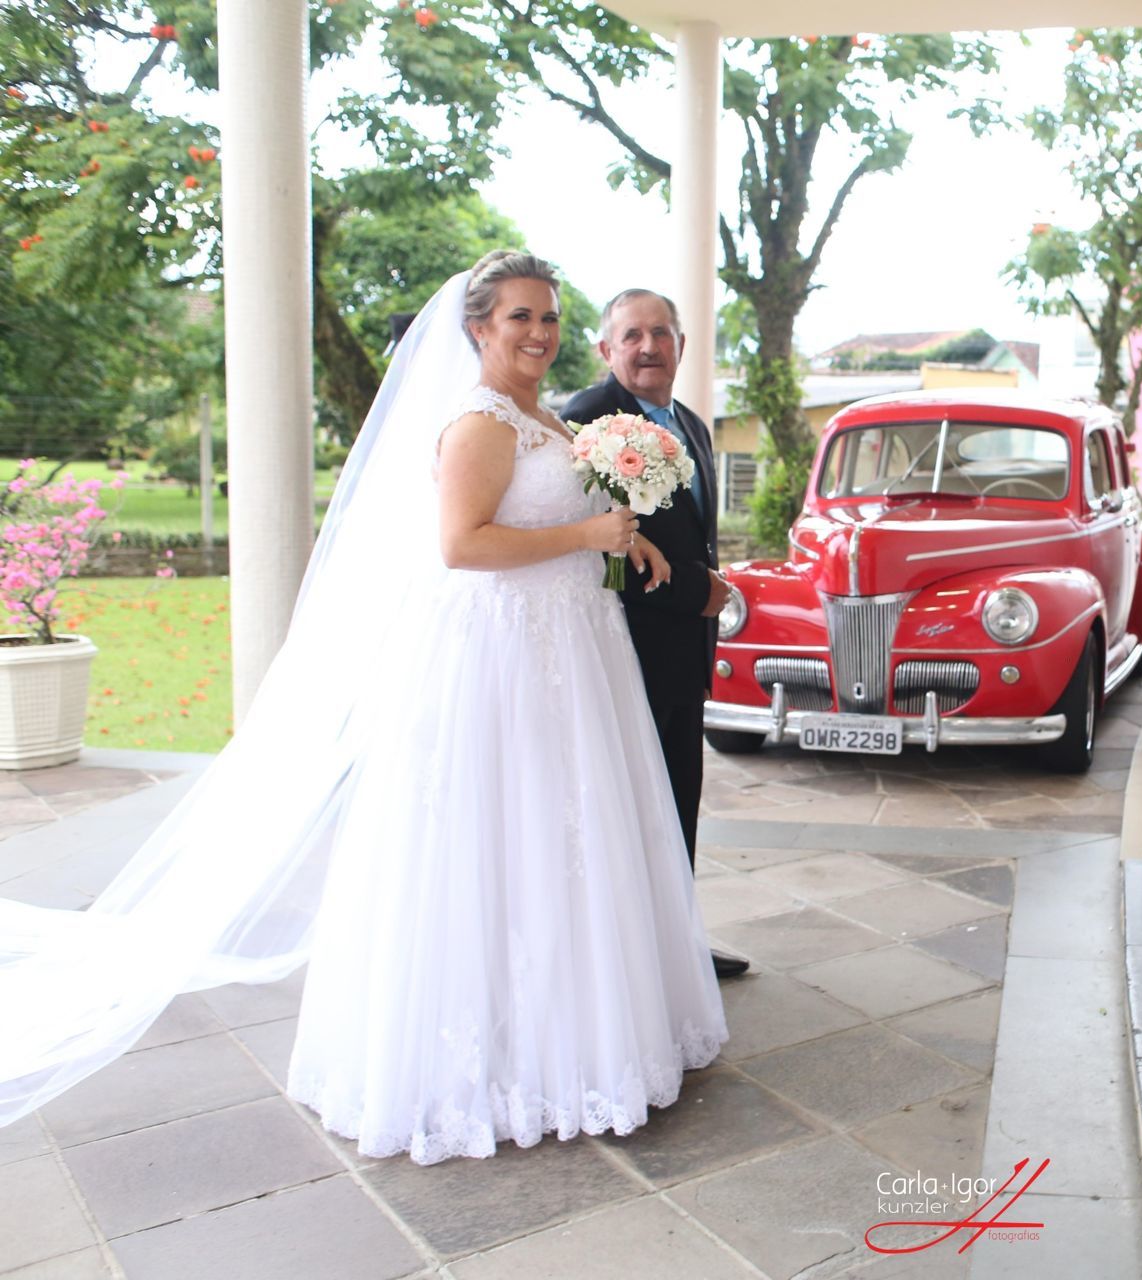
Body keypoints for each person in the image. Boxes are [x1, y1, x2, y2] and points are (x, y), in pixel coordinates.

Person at [0, 251, 728, 1164]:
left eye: (546, 316)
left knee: (565, 838)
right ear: (477, 330)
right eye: (518, 319)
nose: (539, 333)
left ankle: (577, 1029)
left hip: (567, 647)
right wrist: (589, 533)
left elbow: (566, 526)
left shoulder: (547, 418)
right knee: (503, 839)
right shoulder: (478, 421)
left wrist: (628, 551)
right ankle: (500, 1056)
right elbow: (461, 545)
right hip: (502, 658)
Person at [561, 291, 749, 979]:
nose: (648, 347)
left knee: (677, 804)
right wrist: (697, 592)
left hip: (683, 659)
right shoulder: (584, 422)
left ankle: (677, 946)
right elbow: (593, 557)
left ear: (682, 344)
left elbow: (690, 531)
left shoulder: (690, 423)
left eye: (661, 333)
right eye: (632, 335)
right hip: (624, 653)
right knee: (629, 811)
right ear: (606, 349)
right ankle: (631, 965)